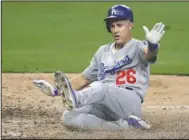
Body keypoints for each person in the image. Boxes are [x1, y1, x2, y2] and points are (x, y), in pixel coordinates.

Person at [33, 4, 165, 130]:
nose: (115, 30)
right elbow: (84, 79)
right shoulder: (103, 51)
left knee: (99, 87)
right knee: (69, 117)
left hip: (129, 102)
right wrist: (56, 91)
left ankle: (77, 98)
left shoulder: (138, 46)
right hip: (104, 102)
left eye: (120, 25)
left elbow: (149, 55)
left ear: (130, 25)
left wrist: (153, 45)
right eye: (112, 26)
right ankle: (125, 126)